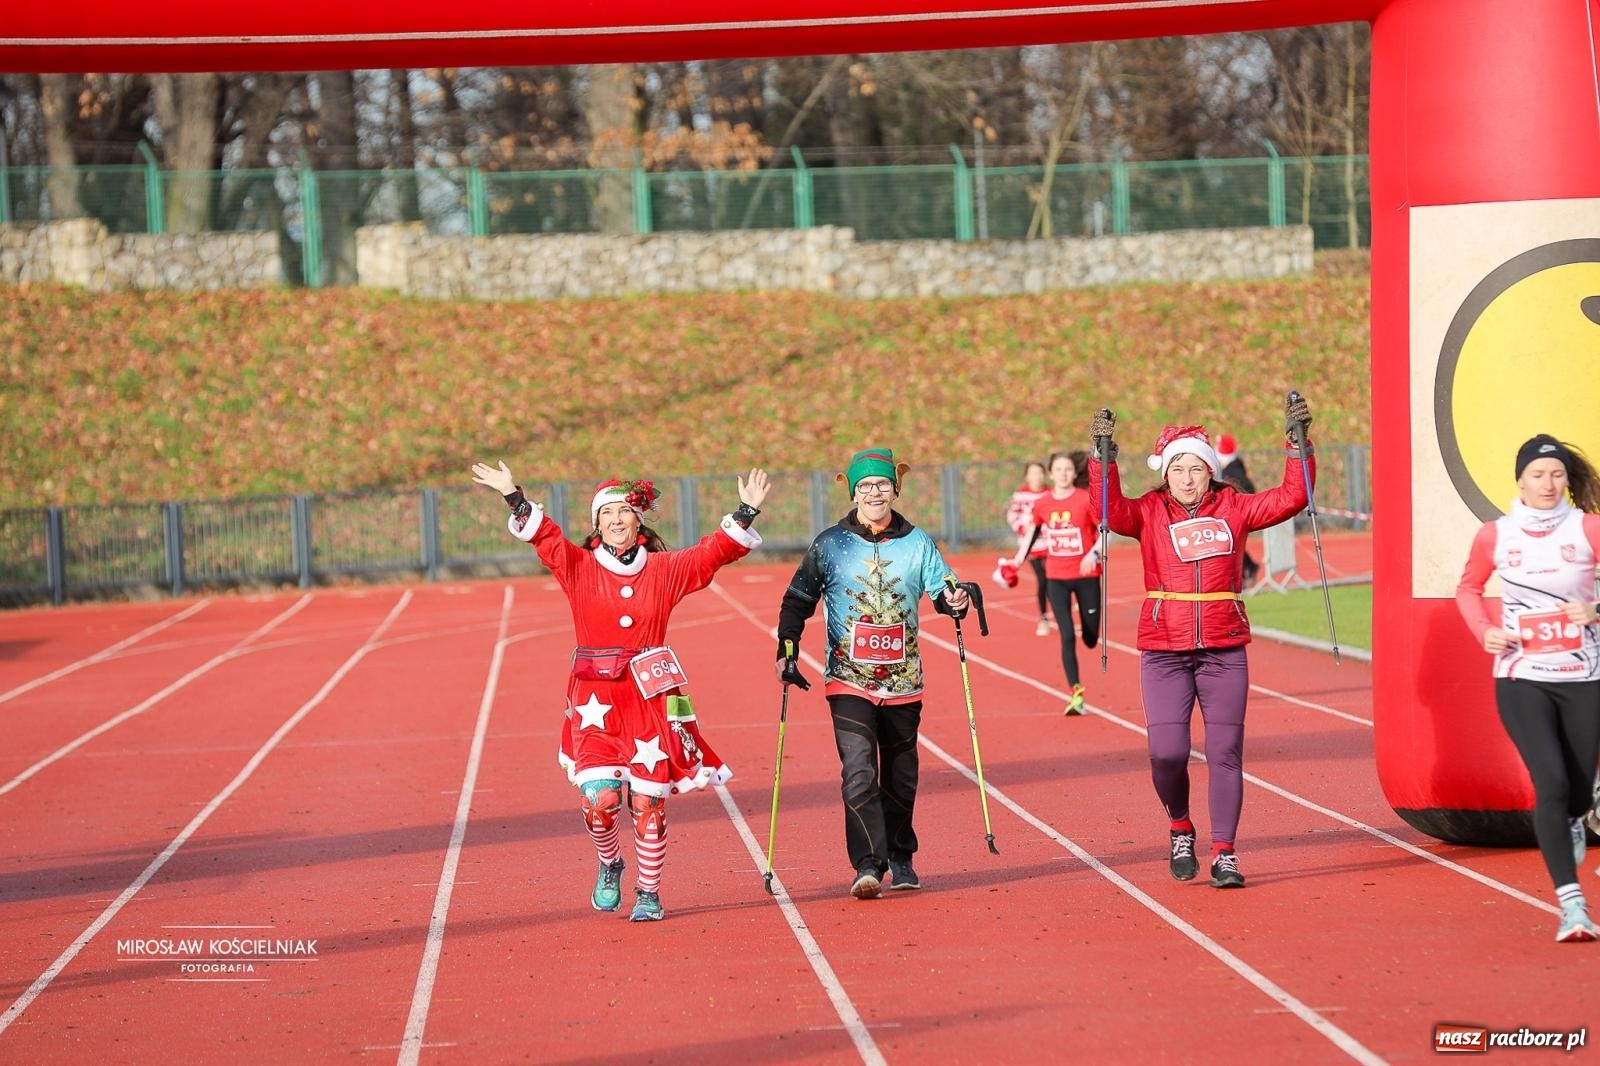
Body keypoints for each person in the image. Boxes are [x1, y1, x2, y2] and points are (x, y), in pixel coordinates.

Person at [470, 459, 770, 922]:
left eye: (624, 512)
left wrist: (745, 511)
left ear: (639, 521)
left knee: (648, 801)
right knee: (601, 799)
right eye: (606, 514)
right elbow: (544, 537)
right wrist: (513, 495)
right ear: (596, 525)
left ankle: (649, 893)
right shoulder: (578, 567)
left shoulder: (666, 570)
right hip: (597, 702)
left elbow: (712, 553)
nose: (616, 521)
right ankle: (610, 863)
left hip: (650, 700)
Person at [1087, 397, 1315, 889]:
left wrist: (1298, 448)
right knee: (1166, 752)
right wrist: (1102, 461)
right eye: (1178, 469)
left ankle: (1225, 852)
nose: (1188, 478)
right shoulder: (1148, 511)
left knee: (1226, 750)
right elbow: (1108, 509)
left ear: (1211, 471)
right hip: (1164, 648)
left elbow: (1291, 498)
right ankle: (1180, 827)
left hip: (1224, 647)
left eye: (1196, 468)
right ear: (1165, 473)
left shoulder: (1235, 507)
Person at [775, 447, 970, 899]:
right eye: (865, 486)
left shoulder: (918, 542)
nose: (874, 493)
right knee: (859, 772)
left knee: (901, 777)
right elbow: (796, 602)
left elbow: (944, 589)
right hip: (848, 679)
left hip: (904, 682)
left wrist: (955, 601)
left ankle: (901, 855)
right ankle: (867, 865)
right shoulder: (829, 544)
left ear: (895, 489)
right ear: (853, 493)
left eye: (882, 485)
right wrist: (788, 651)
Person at [1455, 434, 1600, 941]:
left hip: (1583, 674)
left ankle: (1577, 819)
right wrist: (1485, 631)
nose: (1548, 483)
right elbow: (1468, 587)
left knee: (1579, 791)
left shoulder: (1588, 529)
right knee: (1552, 782)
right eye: (1538, 475)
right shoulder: (1497, 534)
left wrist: (1595, 610)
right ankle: (1572, 905)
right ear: (1520, 480)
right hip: (1522, 677)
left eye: (1556, 474)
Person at [1008, 450, 1103, 714]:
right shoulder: (1042, 504)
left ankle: (1091, 630)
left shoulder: (1086, 500)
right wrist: (1016, 561)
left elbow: (1104, 534)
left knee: (1091, 636)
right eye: (1058, 469)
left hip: (1087, 576)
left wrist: (1093, 554)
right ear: (1051, 473)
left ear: (1074, 473)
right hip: (1056, 578)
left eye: (1067, 469)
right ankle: (1076, 693)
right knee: (1067, 634)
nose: (1063, 474)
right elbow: (1030, 535)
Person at [1005, 460, 1052, 636]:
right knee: (1042, 579)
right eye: (1032, 473)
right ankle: (1043, 617)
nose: (1036, 477)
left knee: (1053, 578)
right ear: (1027, 476)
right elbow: (1012, 514)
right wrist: (1021, 527)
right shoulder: (1020, 495)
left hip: (1050, 542)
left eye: (1039, 473)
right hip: (1030, 544)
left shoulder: (1050, 493)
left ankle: (1060, 607)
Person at [1215, 434, 1261, 586]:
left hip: (1238, 509)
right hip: (1236, 509)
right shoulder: (1232, 466)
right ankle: (1246, 570)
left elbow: (1246, 488)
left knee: (1230, 543)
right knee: (1230, 543)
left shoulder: (1232, 470)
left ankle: (1242, 573)